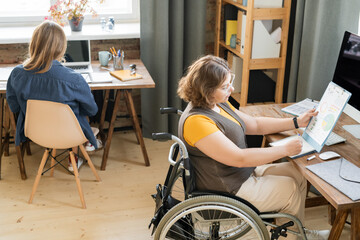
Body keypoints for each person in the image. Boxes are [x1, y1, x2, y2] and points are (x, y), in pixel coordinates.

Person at [177, 55, 329, 240]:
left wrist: (296, 122)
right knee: (289, 189)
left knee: (297, 173)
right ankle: (294, 236)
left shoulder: (217, 103)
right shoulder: (197, 121)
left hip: (241, 174)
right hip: (229, 187)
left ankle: (297, 232)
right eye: (225, 87)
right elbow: (239, 157)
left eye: (230, 82)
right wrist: (285, 150)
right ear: (207, 91)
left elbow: (255, 124)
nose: (231, 89)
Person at [6, 20, 101, 171]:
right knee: (78, 110)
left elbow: (14, 106)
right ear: (61, 47)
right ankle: (74, 159)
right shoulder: (74, 79)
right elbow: (91, 110)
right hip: (69, 133)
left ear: (34, 44)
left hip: (35, 133)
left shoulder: (17, 74)